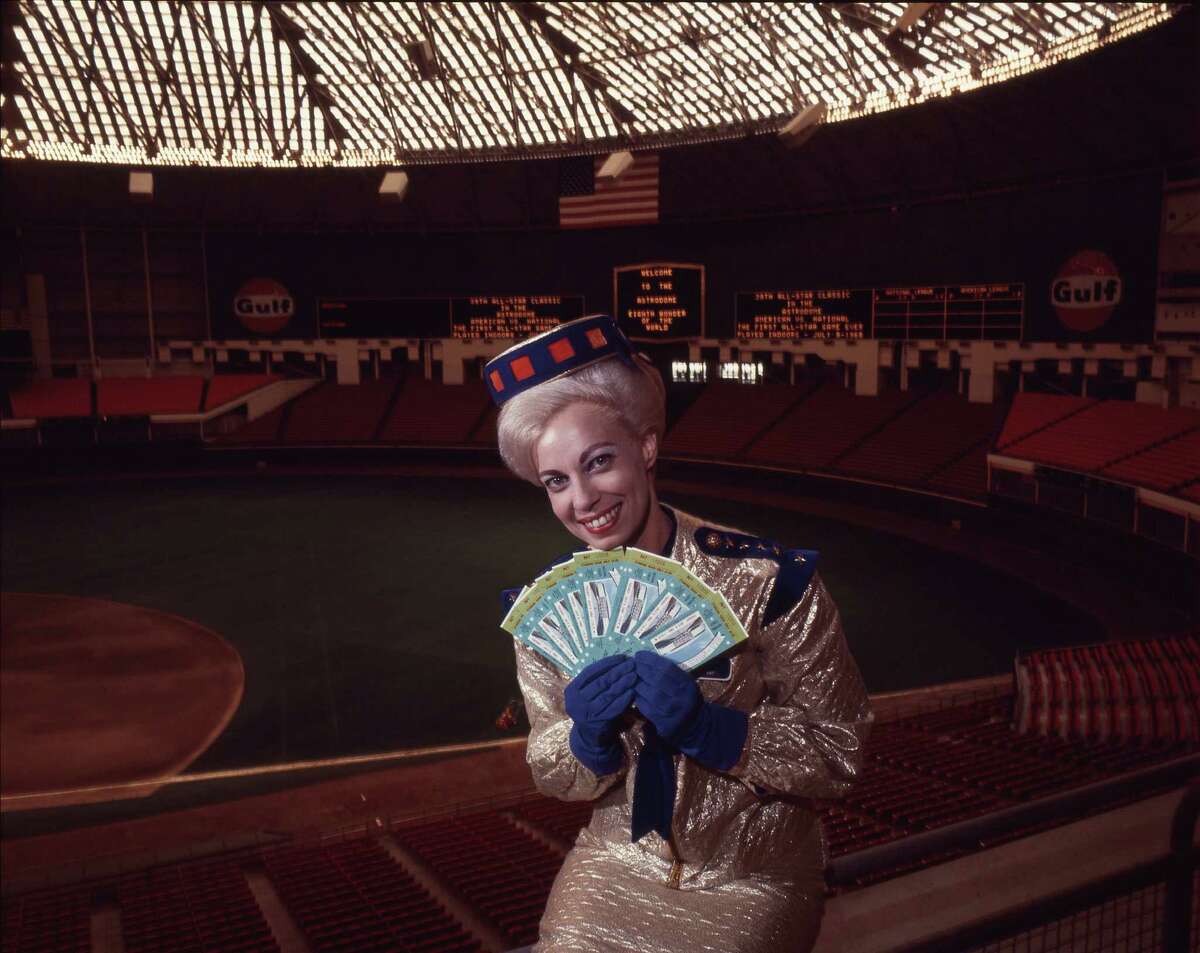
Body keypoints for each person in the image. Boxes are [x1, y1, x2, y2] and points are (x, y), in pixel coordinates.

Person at [486, 314, 874, 953]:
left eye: (599, 462)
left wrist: (713, 730)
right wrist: (585, 740)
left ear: (646, 446)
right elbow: (552, 775)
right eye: (557, 481)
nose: (582, 500)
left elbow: (840, 752)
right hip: (615, 863)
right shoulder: (547, 615)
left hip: (753, 871)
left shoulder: (768, 580)